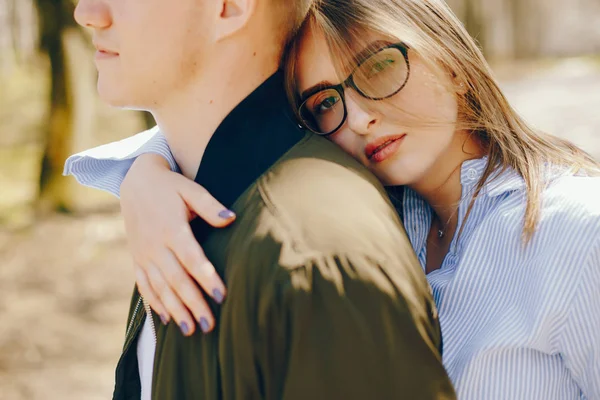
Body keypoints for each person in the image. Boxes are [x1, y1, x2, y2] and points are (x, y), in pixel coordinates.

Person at [67, 0, 600, 398]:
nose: (361, 117)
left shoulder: (577, 233)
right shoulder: (392, 212)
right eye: (325, 101)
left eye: (379, 67)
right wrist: (146, 175)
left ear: (453, 60)